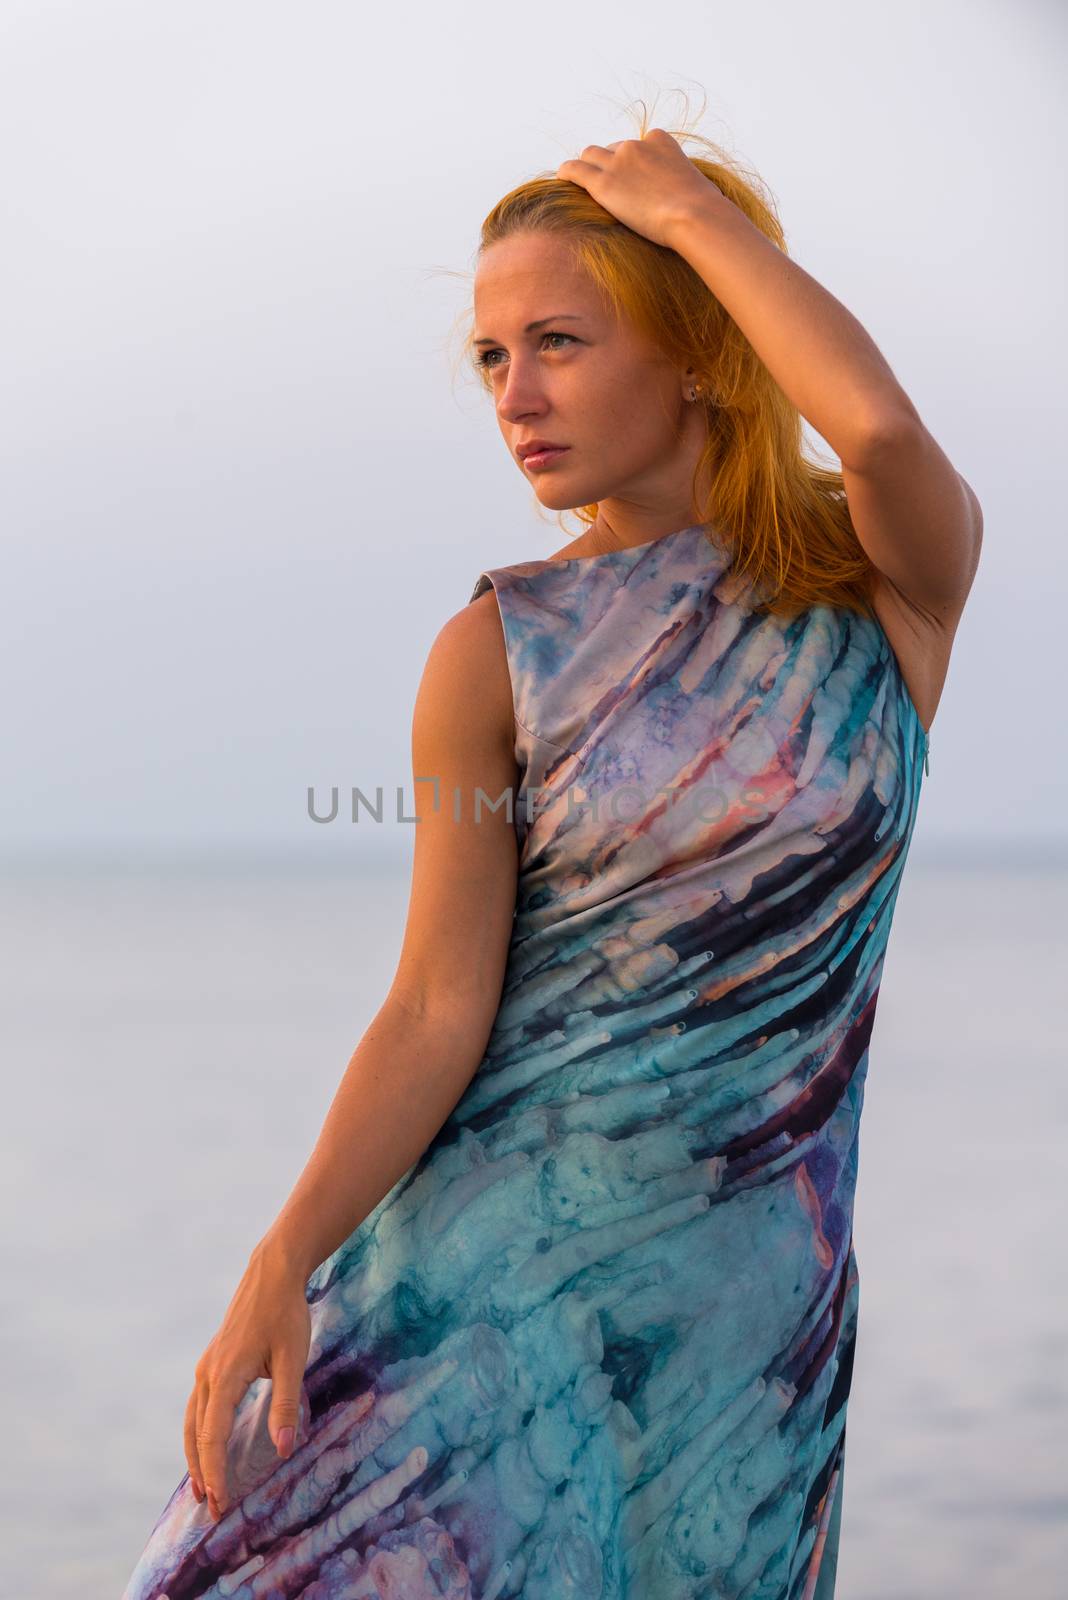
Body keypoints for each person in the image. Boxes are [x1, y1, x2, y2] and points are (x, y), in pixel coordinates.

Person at [122, 122, 982, 1600]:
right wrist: (283, 1255)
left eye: (561, 342)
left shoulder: (885, 586)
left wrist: (700, 219)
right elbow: (435, 1008)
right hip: (477, 1286)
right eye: (491, 358)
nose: (515, 395)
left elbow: (886, 433)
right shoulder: (491, 654)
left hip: (745, 1324)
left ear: (700, 349)